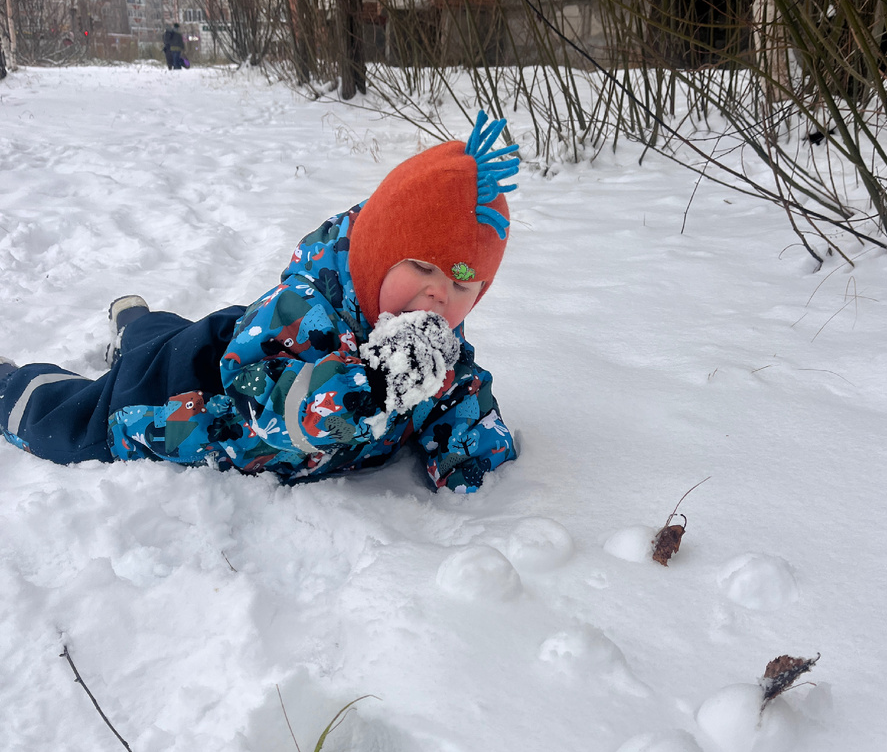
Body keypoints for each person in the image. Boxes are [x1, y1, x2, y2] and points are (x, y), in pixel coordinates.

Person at [0, 112, 519, 494]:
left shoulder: (433, 345)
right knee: (73, 424)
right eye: (423, 267)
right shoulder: (303, 309)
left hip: (224, 338)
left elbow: (459, 397)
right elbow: (265, 407)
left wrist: (468, 457)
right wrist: (373, 388)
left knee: (157, 336)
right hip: (184, 400)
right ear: (378, 253)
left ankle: (137, 320)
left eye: (461, 284)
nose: (437, 294)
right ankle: (13, 385)